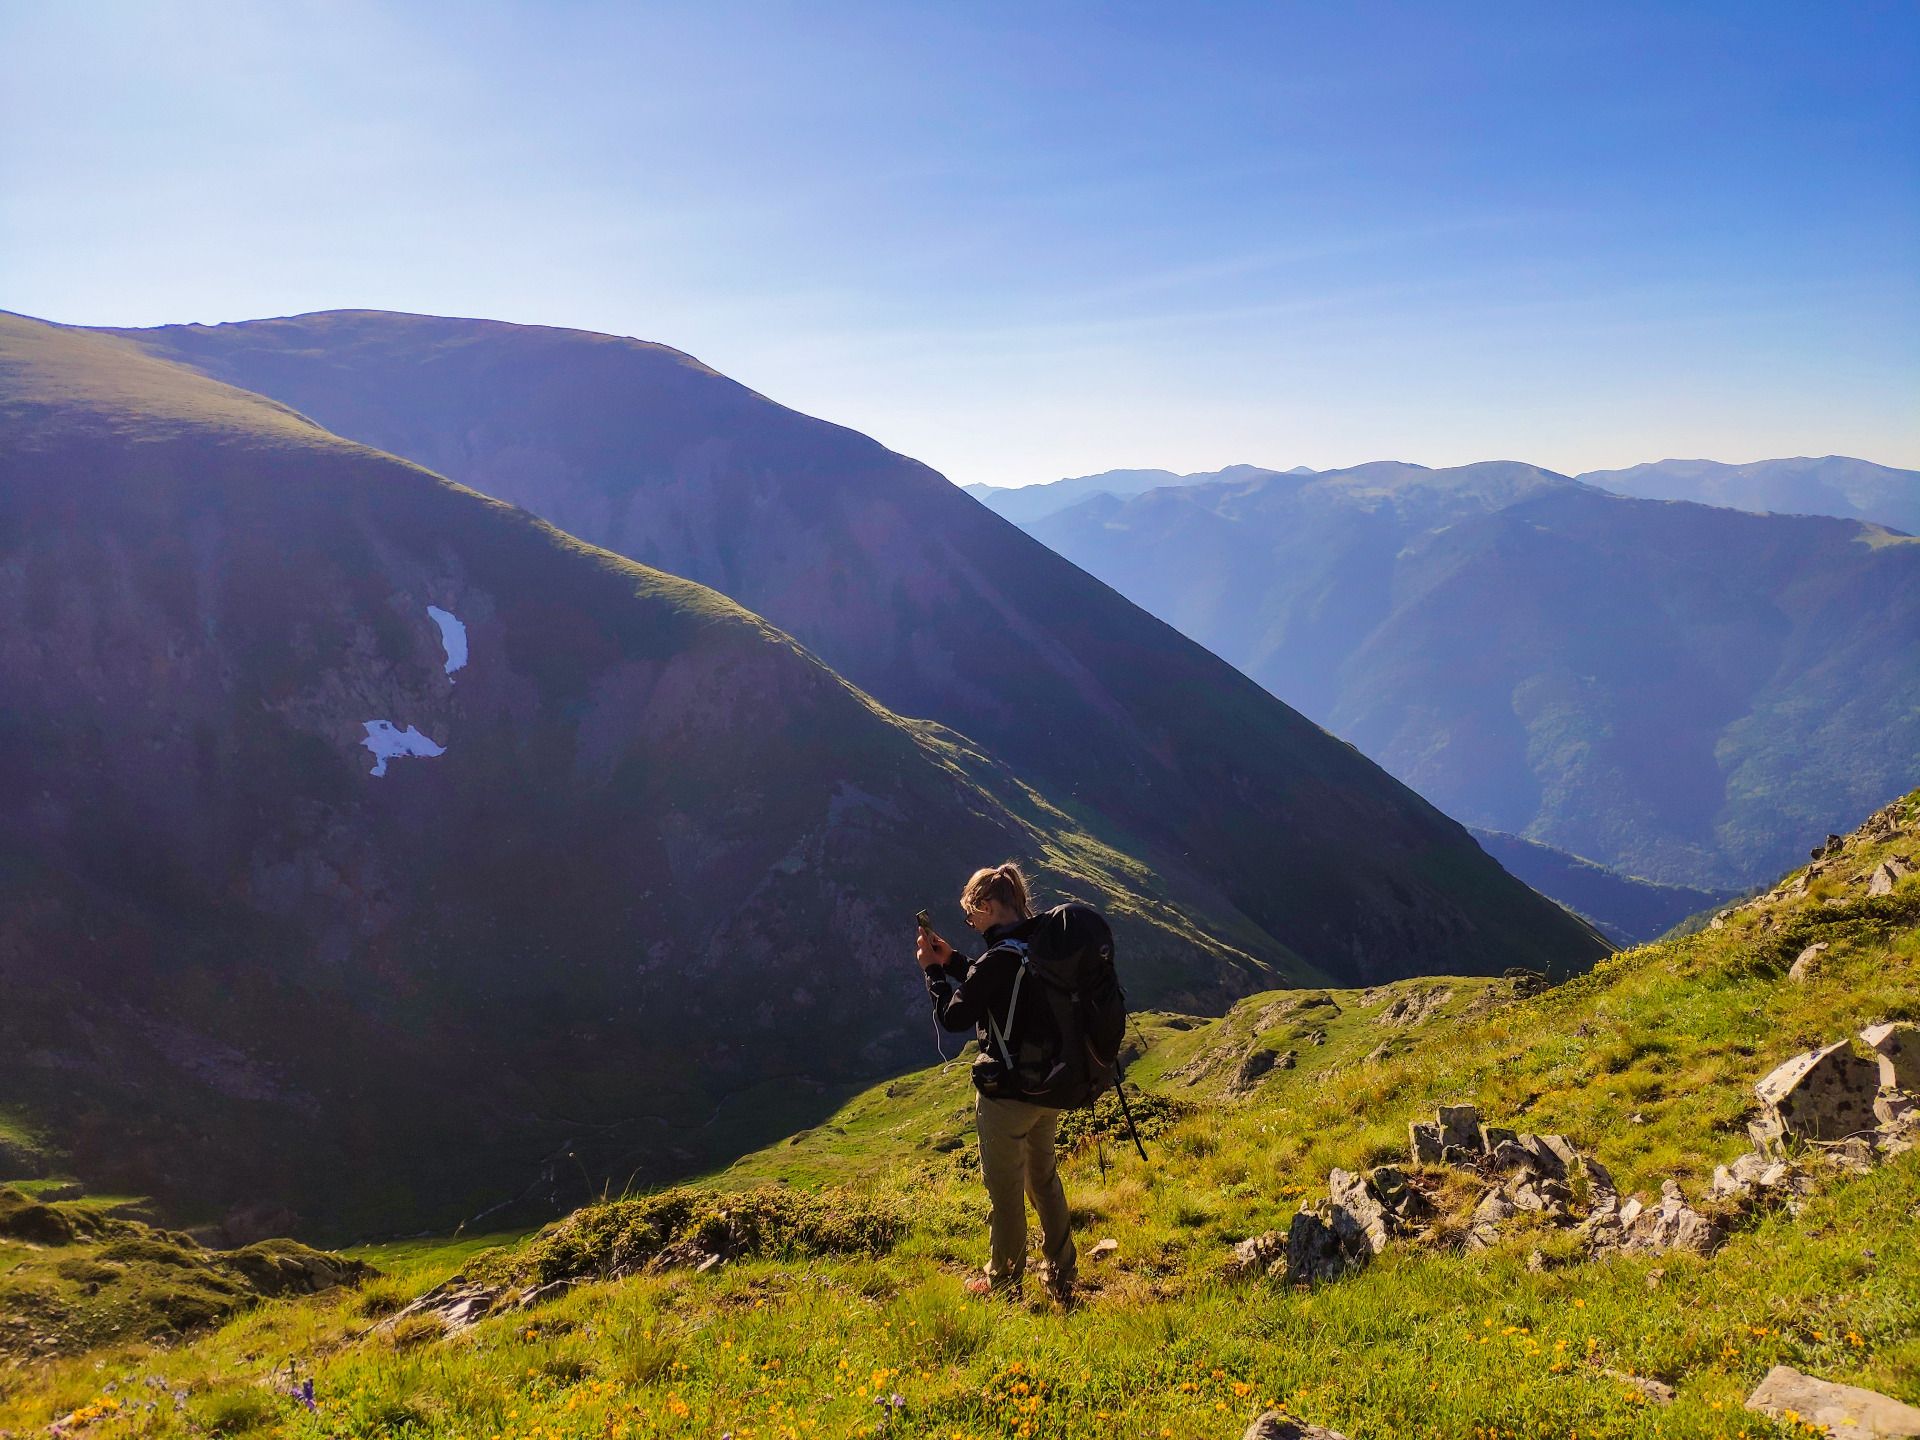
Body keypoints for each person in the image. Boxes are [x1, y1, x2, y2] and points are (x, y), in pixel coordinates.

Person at [917, 861, 1077, 1303]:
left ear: (986, 906)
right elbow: (1001, 981)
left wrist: (933, 971)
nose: (971, 922)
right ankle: (1062, 1270)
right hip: (1050, 1085)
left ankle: (1004, 1280)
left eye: (971, 914)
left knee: (1005, 1190)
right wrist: (955, 962)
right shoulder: (1040, 943)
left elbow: (954, 1016)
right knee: (1043, 1178)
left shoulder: (999, 959)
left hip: (1008, 1096)